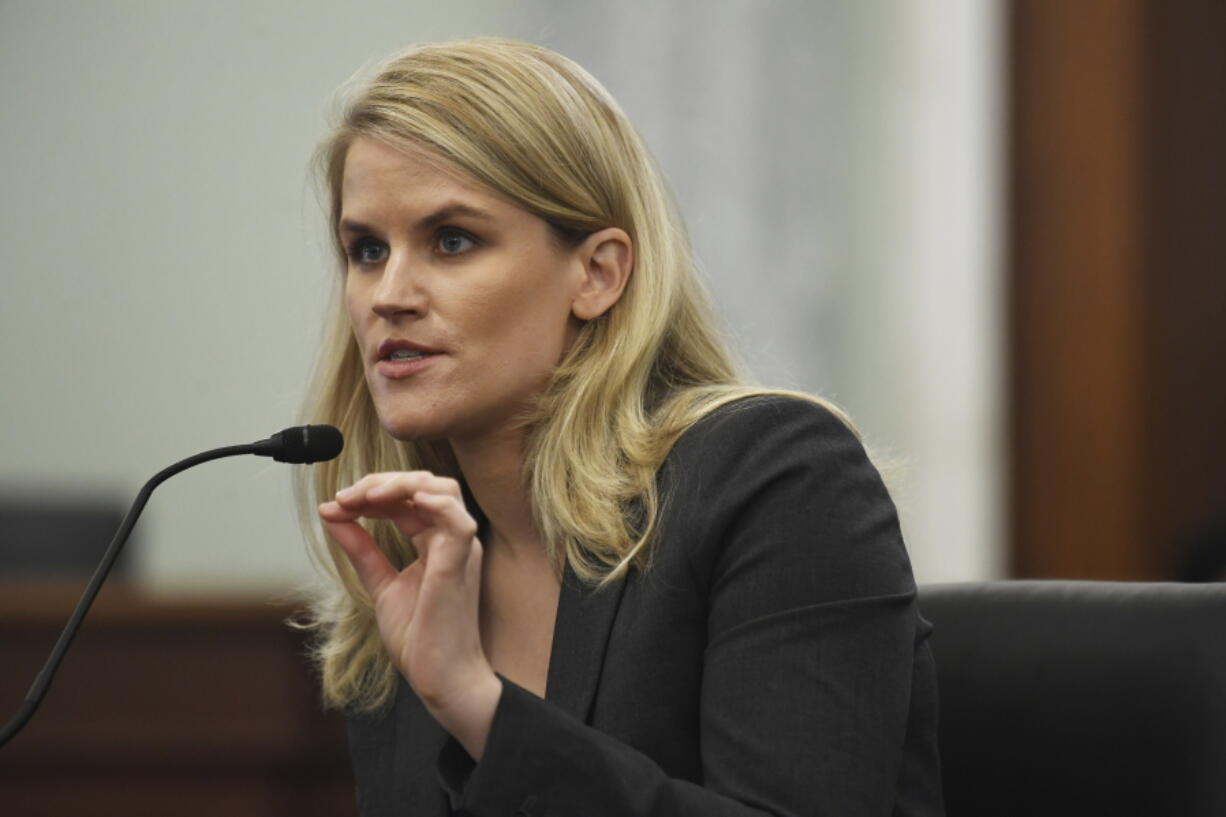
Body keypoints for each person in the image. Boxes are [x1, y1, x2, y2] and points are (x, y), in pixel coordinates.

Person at [296, 37, 944, 817]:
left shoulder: (778, 480)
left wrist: (477, 703)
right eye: (366, 249)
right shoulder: (412, 563)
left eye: (452, 240)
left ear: (598, 273)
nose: (388, 294)